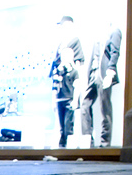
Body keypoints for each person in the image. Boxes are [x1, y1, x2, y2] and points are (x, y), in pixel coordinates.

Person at [80, 25, 122, 148]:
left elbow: (115, 52)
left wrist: (111, 71)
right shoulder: (98, 35)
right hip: (94, 74)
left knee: (105, 108)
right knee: (85, 105)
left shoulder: (114, 31)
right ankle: (88, 140)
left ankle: (105, 142)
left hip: (104, 74)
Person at [50, 16, 84, 149]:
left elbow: (79, 65)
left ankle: (67, 146)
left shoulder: (75, 41)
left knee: (68, 124)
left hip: (69, 95)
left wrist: (76, 98)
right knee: (60, 123)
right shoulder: (61, 44)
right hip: (60, 95)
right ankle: (61, 144)